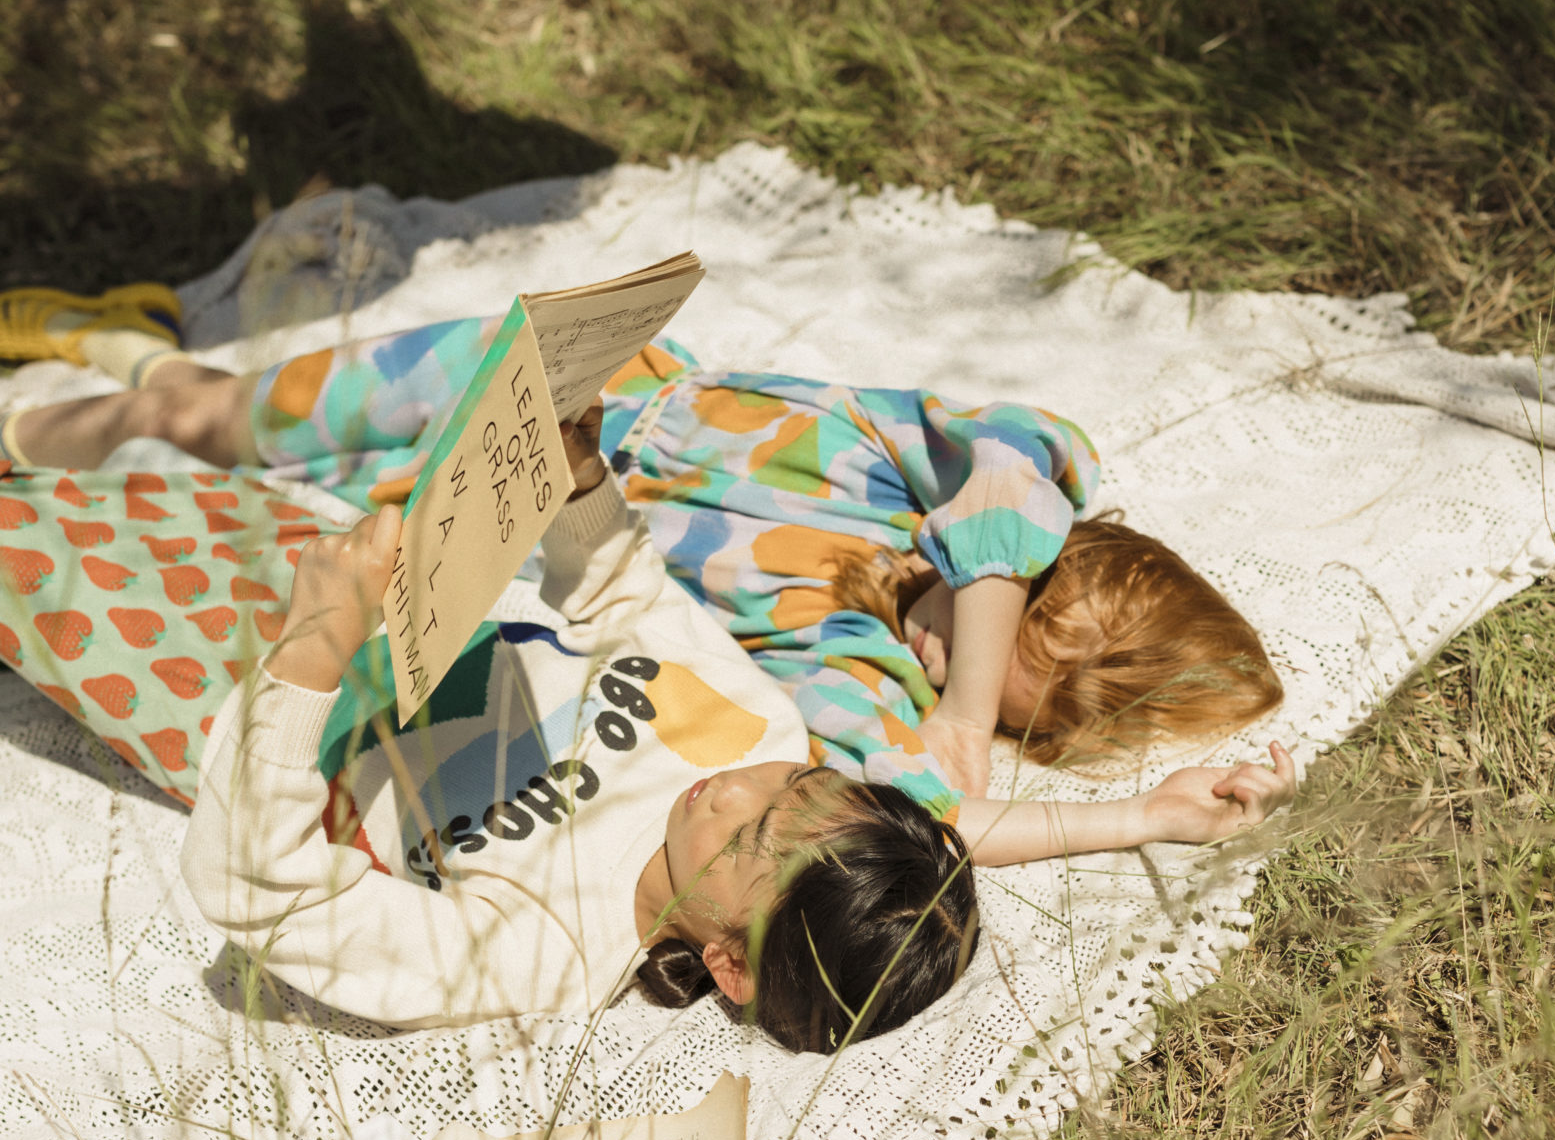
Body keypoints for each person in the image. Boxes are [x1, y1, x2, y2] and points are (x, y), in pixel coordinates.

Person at [2, 306, 1286, 826]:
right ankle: (66, 408)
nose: (968, 670)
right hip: (540, 377)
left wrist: (1142, 817)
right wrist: (966, 701)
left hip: (485, 506)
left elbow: (931, 816)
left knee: (258, 486)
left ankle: (129, 364)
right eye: (1009, 641)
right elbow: (1017, 469)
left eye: (1017, 713)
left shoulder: (846, 655)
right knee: (224, 419)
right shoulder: (926, 470)